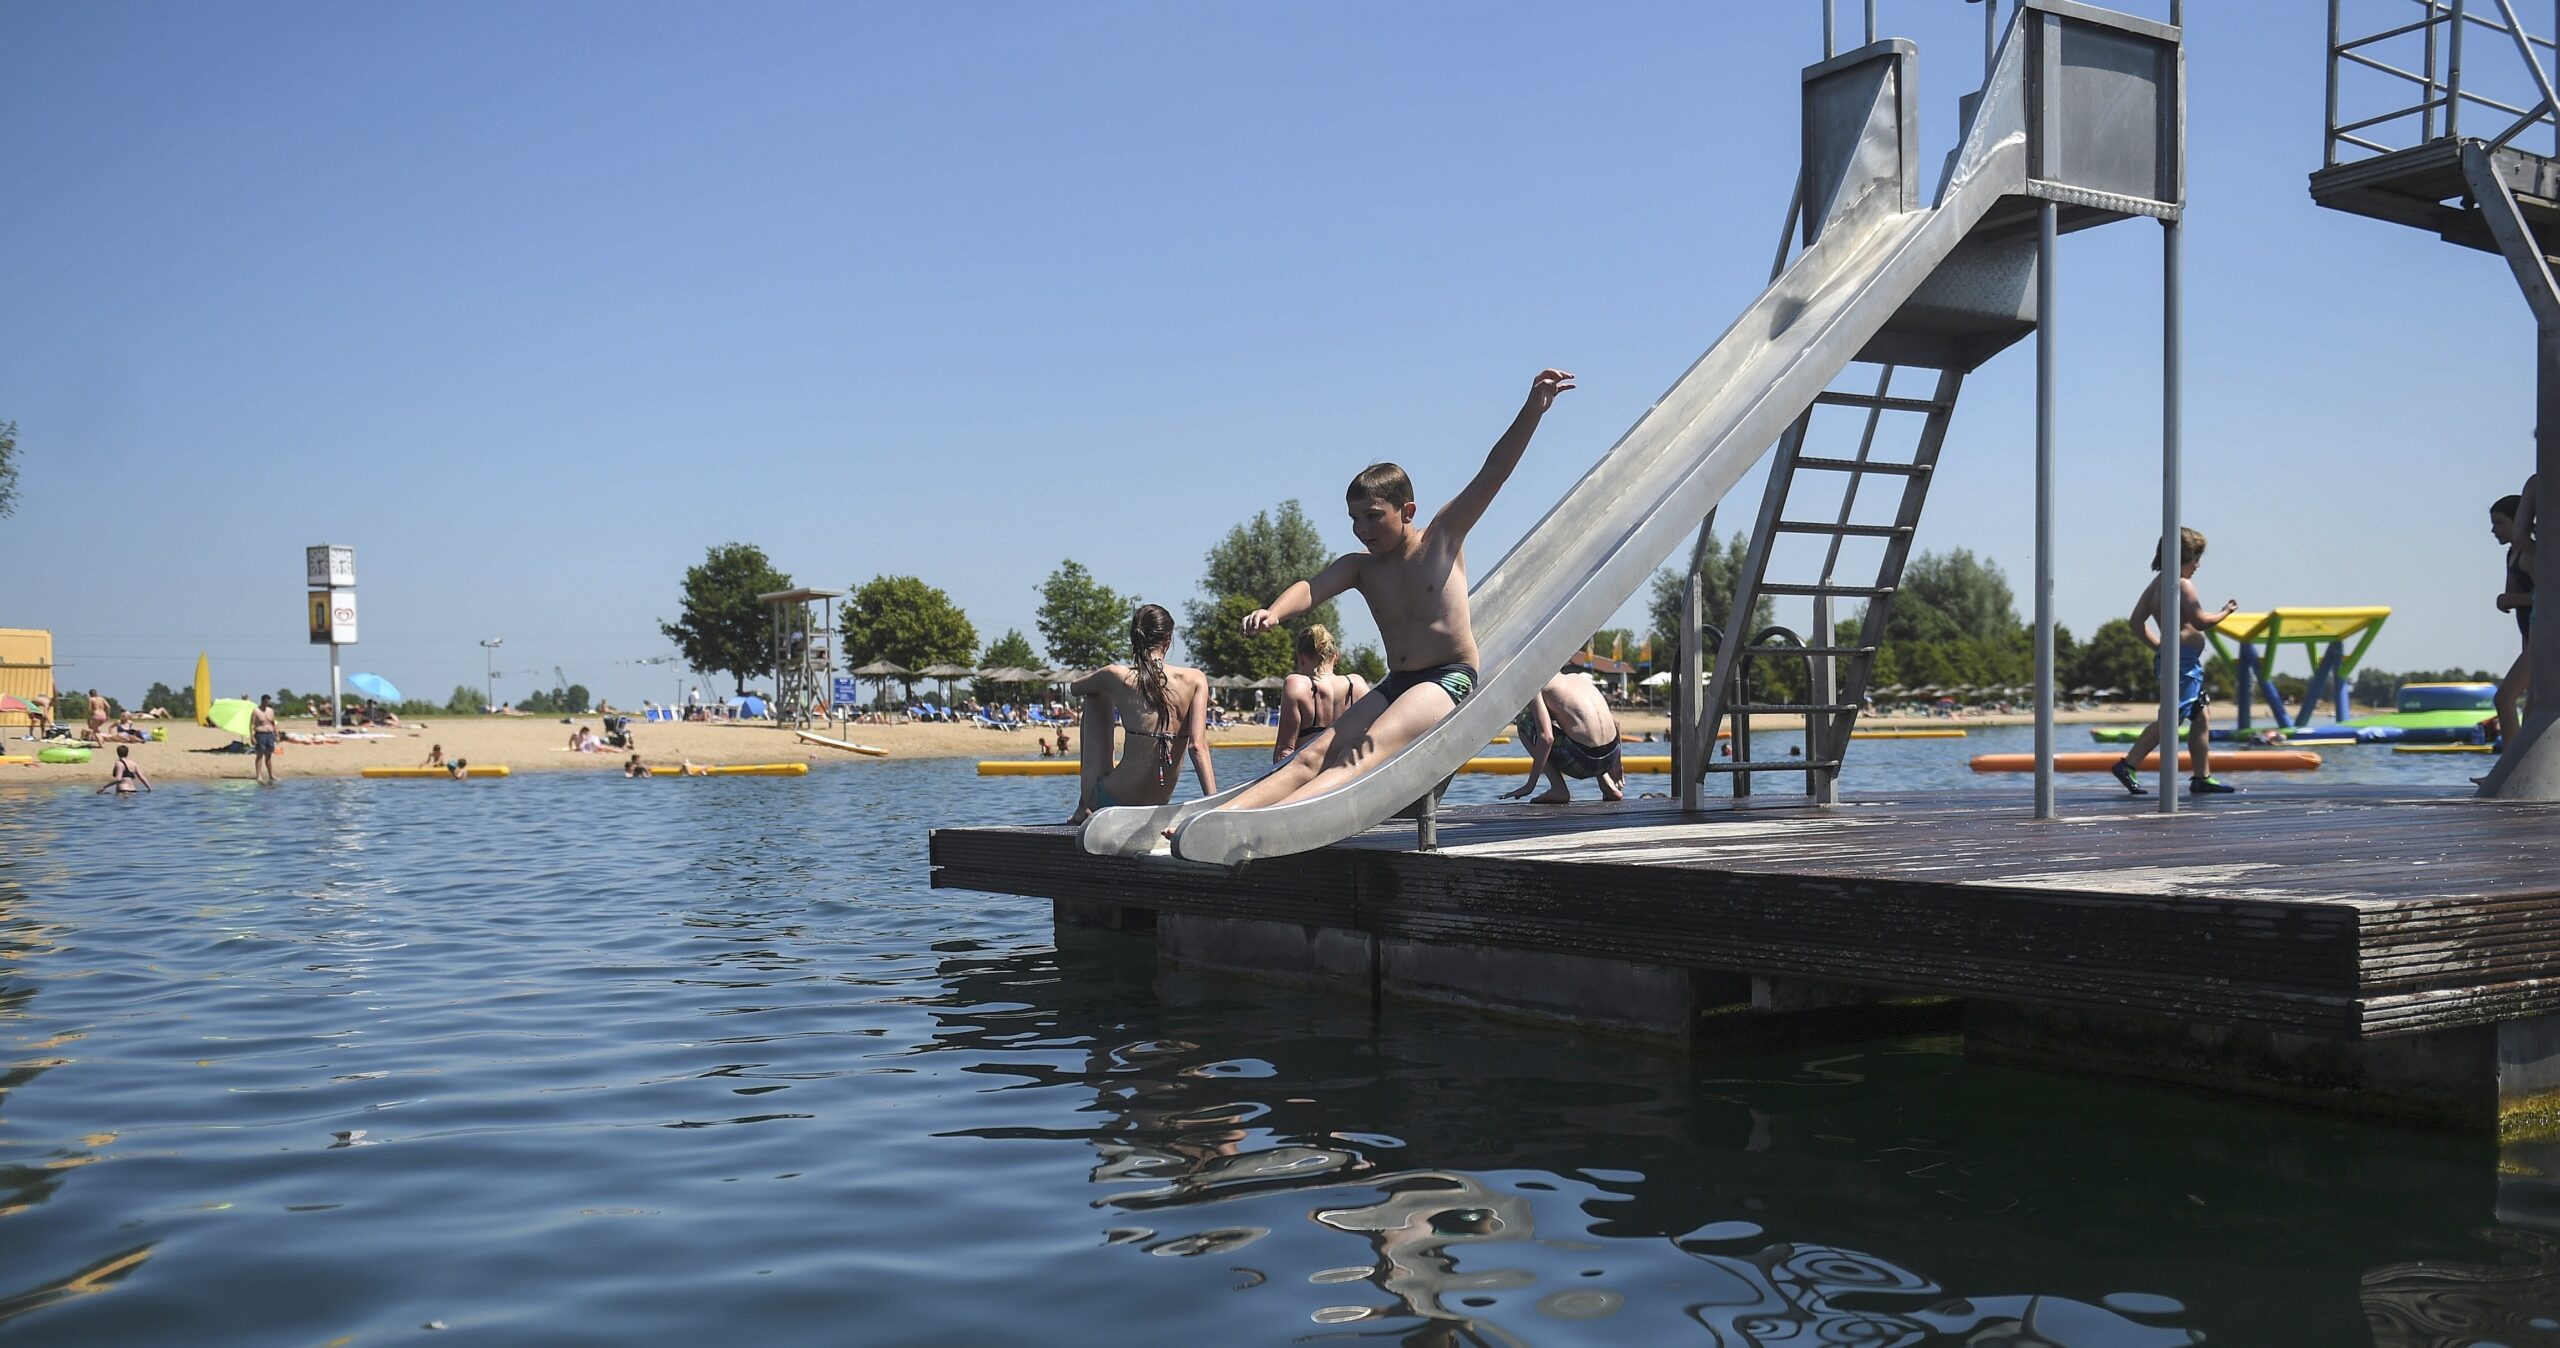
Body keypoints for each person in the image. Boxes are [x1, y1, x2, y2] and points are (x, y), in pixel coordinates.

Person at [1200, 368, 1574, 819]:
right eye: (1354, 519)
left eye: (1373, 516)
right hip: (1397, 682)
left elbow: (1494, 470)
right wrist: (1275, 613)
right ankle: (1217, 817)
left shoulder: (1442, 539)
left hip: (1447, 677)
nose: (1362, 530)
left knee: (1366, 752)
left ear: (1407, 510)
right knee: (1312, 755)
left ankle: (1267, 822)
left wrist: (1533, 408)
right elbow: (1311, 588)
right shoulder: (1361, 568)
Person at [2109, 527, 2240, 797]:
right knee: (2171, 718)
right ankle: (2128, 764)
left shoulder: (2155, 585)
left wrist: (2159, 647)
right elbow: (2201, 620)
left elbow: (2135, 623)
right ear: (2183, 557)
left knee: (2201, 716)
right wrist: (2225, 612)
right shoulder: (2182, 585)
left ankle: (2201, 776)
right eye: (2195, 559)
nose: (2198, 566)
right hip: (2183, 665)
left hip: (2178, 660)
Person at [1065, 604, 1217, 824]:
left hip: (1110, 801)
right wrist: (1214, 805)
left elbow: (1075, 688)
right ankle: (1085, 805)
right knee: (1099, 688)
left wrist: (1110, 681)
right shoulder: (1196, 679)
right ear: (1168, 640)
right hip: (1156, 806)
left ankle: (1083, 806)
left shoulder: (1117, 675)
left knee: (1095, 694)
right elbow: (1197, 747)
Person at [1500, 668, 1626, 804]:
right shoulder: (1579, 679)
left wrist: (1529, 786)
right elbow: (1616, 724)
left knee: (1524, 721)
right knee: (1585, 733)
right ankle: (1608, 786)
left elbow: (1546, 738)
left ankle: (1558, 787)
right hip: (1610, 759)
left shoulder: (1538, 687)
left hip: (1582, 762)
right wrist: (1617, 765)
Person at [1273, 624, 1371, 763]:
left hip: (1309, 777)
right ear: (1336, 656)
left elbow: (1284, 750)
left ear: (1301, 658)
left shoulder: (1297, 685)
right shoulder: (1356, 685)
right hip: (1345, 774)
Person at [2492, 489, 2539, 749]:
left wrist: (2512, 600)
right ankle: (2521, 766)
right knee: (2532, 708)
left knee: (2505, 697)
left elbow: (2549, 596)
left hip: (2542, 641)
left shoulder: (2532, 554)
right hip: (2529, 638)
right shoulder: (2513, 555)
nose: (2494, 530)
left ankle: (2508, 768)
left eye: (2500, 523)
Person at [251, 694, 280, 784]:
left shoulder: (271, 711)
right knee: (260, 754)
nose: (267, 703)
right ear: (262, 701)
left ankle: (271, 775)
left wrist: (277, 734)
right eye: (266, 702)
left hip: (270, 734)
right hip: (260, 734)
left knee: (268, 755)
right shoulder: (256, 711)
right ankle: (258, 775)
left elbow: (273, 723)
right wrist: (252, 737)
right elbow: (251, 725)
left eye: (269, 702)